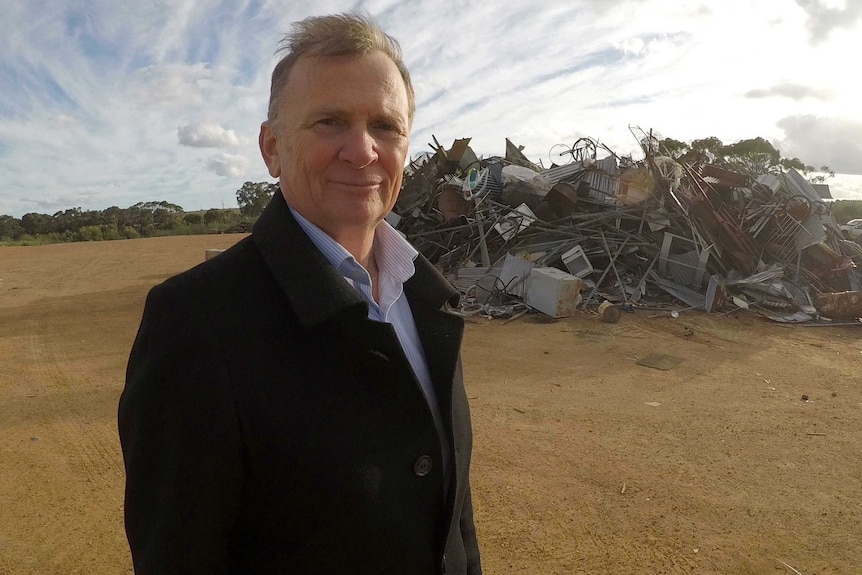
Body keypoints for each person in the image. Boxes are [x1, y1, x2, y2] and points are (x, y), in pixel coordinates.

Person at [118, 12, 483, 575]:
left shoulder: (426, 296)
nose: (363, 151)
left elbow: (454, 522)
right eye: (330, 122)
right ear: (271, 149)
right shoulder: (196, 323)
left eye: (386, 126)